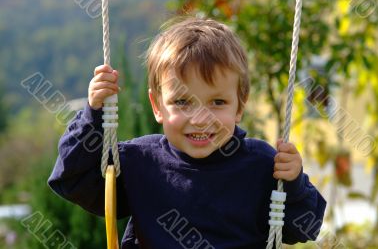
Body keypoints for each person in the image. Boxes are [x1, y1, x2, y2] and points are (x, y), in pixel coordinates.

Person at [49, 17, 326, 248]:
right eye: (182, 102)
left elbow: (303, 228)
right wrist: (93, 115)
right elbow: (73, 180)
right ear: (157, 106)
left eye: (217, 102)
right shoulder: (139, 161)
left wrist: (293, 183)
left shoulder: (262, 164)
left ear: (239, 105)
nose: (200, 118)